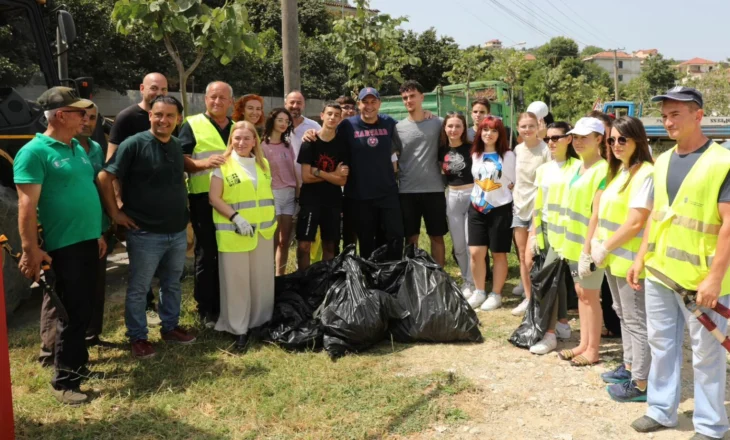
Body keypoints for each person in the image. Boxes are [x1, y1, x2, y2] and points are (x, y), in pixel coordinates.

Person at [628, 87, 730, 440]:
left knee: (706, 354)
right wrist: (641, 257)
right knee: (662, 344)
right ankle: (660, 409)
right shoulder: (664, 160)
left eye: (675, 115)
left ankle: (711, 425)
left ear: (698, 115)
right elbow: (658, 216)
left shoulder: (721, 162)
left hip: (703, 280)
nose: (667, 121)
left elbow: (729, 226)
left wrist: (715, 278)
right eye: (665, 115)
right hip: (661, 274)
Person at [13, 86, 101, 404]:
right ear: (61, 115)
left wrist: (99, 233)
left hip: (88, 240)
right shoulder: (34, 153)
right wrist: (30, 249)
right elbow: (26, 206)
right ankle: (64, 381)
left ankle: (78, 367)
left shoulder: (77, 148)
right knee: (71, 312)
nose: (86, 118)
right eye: (80, 113)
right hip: (64, 246)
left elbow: (84, 193)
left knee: (84, 308)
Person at [100, 95, 196, 360]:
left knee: (172, 282)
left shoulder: (176, 145)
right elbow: (104, 177)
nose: (163, 120)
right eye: (158, 114)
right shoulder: (134, 144)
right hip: (145, 232)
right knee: (140, 287)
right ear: (150, 115)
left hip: (176, 230)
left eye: (169, 116)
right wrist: (115, 212)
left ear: (178, 120)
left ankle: (170, 327)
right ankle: (138, 337)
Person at [589, 116, 654, 402]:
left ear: (637, 140)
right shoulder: (623, 171)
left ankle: (641, 382)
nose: (616, 145)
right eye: (611, 140)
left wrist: (604, 247)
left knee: (636, 319)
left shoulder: (646, 173)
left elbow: (636, 222)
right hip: (614, 258)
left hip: (629, 260)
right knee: (622, 313)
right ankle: (629, 366)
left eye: (622, 139)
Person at [107, 72, 169, 324]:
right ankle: (144, 306)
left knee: (165, 262)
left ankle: (166, 310)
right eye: (154, 88)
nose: (159, 93)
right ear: (142, 88)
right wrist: (118, 204)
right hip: (136, 205)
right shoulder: (127, 118)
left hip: (164, 205)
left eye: (164, 89)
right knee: (141, 262)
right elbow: (111, 166)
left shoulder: (170, 116)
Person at [209, 121, 276, 349]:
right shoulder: (223, 164)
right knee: (236, 282)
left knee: (262, 280)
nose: (241, 143)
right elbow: (214, 198)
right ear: (231, 140)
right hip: (234, 233)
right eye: (236, 138)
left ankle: (260, 323)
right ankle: (238, 328)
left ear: (255, 141)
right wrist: (235, 217)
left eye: (247, 138)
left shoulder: (263, 164)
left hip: (263, 232)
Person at [179, 81, 233, 327]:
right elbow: (182, 159)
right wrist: (204, 164)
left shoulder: (236, 127)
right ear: (205, 99)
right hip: (203, 199)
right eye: (213, 97)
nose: (217, 102)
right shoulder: (192, 124)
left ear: (231, 102)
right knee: (206, 253)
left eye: (223, 98)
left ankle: (227, 302)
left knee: (228, 253)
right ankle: (206, 307)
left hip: (233, 201)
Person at [555, 117, 608, 367]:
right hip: (574, 244)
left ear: (599, 139)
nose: (578, 142)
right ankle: (583, 344)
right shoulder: (578, 167)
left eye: (584, 137)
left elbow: (596, 213)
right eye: (575, 137)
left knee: (590, 295)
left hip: (588, 246)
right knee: (581, 294)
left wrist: (587, 250)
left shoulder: (603, 169)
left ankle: (593, 349)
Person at [526, 122, 581, 355]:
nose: (551, 142)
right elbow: (538, 205)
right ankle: (560, 324)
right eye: (548, 138)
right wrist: (533, 233)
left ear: (569, 139)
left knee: (556, 281)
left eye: (556, 138)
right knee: (552, 278)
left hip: (569, 232)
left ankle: (550, 334)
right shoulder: (544, 170)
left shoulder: (580, 168)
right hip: (546, 230)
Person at [466, 116, 516, 310]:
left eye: (494, 130)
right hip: (477, 208)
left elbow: (513, 181)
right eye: (485, 129)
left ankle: (496, 294)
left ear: (500, 134)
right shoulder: (475, 154)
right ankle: (479, 291)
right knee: (476, 252)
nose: (489, 134)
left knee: (499, 253)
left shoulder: (508, 156)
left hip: (500, 208)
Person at [395, 80, 448, 266]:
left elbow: (461, 132)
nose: (408, 100)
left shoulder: (439, 123)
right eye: (405, 98)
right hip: (407, 191)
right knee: (411, 238)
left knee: (437, 236)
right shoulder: (397, 128)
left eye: (412, 96)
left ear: (422, 97)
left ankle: (440, 278)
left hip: (434, 189)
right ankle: (412, 277)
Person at [296, 102, 349, 270]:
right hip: (310, 200)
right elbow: (305, 176)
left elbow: (342, 181)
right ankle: (303, 280)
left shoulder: (342, 145)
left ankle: (325, 282)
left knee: (330, 246)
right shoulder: (309, 142)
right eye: (330, 114)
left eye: (336, 115)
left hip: (332, 201)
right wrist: (333, 174)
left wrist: (318, 172)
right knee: (304, 246)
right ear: (322, 116)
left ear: (340, 119)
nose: (333, 117)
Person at [77, 104, 113, 347]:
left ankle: (92, 336)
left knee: (96, 285)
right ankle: (51, 349)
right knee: (67, 289)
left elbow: (102, 184)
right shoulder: (63, 149)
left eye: (93, 118)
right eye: (83, 116)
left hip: (99, 226)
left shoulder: (97, 148)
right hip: (74, 229)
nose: (88, 122)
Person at [510, 112, 551, 316]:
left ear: (538, 126)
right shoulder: (517, 149)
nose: (527, 130)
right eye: (523, 126)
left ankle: (540, 298)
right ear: (518, 128)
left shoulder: (545, 149)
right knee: (521, 254)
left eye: (531, 126)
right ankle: (527, 298)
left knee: (533, 258)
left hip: (539, 209)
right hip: (519, 206)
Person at [589, 110, 623, 340]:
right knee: (602, 285)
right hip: (597, 231)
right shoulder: (594, 158)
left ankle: (615, 326)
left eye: (602, 132)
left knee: (615, 292)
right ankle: (611, 324)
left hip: (617, 236)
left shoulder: (618, 159)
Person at [438, 112, 475, 297]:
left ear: (464, 128)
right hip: (452, 196)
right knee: (458, 245)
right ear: (444, 128)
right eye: (450, 126)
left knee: (470, 244)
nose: (453, 130)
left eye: (458, 126)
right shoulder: (441, 149)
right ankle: (467, 280)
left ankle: (474, 281)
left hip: (471, 195)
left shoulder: (472, 148)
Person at [261, 108, 298, 275]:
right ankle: (268, 278)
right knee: (273, 241)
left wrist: (298, 193)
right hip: (273, 195)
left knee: (285, 241)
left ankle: (280, 277)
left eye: (286, 121)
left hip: (290, 196)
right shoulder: (262, 146)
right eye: (280, 120)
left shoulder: (288, 145)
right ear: (272, 121)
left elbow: (293, 171)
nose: (284, 124)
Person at [284, 90, 321, 183]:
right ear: (285, 104)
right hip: (283, 185)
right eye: (292, 102)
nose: (295, 106)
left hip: (307, 183)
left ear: (304, 106)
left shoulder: (314, 126)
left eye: (299, 103)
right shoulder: (277, 126)